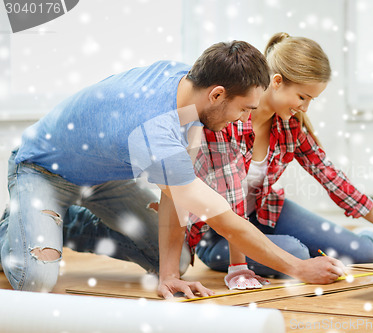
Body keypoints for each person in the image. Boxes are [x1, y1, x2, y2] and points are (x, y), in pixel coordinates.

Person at [0, 40, 347, 299]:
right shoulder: (155, 129)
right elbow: (223, 220)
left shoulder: (189, 85)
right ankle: (15, 227)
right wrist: (299, 268)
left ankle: (67, 222)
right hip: (42, 170)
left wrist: (167, 276)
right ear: (217, 94)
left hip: (104, 177)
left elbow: (175, 196)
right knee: (36, 282)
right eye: (243, 109)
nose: (245, 119)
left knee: (176, 261)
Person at [188, 33, 373, 290]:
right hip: (217, 233)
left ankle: (365, 239)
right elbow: (233, 201)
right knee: (298, 254)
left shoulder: (290, 127)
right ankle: (284, 248)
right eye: (302, 97)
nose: (305, 108)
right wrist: (238, 268)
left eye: (311, 100)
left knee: (364, 252)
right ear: (277, 81)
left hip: (264, 211)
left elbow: (331, 177)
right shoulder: (230, 119)